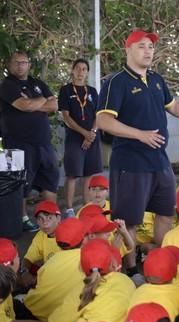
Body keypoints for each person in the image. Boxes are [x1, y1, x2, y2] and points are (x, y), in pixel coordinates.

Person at [96, 29, 179, 248]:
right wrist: (139, 134)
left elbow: (172, 106)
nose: (148, 51)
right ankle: (129, 270)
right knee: (129, 222)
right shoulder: (115, 82)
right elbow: (104, 121)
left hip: (159, 161)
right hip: (131, 163)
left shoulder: (156, 79)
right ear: (128, 49)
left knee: (165, 213)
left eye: (151, 47)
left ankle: (162, 264)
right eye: (141, 46)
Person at [0, 51, 59, 232]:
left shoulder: (37, 84)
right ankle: (23, 218)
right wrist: (42, 101)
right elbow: (23, 106)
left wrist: (36, 102)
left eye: (24, 62)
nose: (20, 66)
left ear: (29, 65)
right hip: (18, 143)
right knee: (21, 184)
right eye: (16, 62)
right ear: (10, 65)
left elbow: (55, 105)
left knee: (50, 179)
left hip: (43, 142)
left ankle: (52, 217)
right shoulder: (7, 86)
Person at [58, 58, 102, 218]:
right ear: (72, 70)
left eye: (84, 69)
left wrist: (92, 133)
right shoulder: (66, 90)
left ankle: (87, 207)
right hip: (75, 138)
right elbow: (66, 116)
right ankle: (69, 209)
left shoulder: (92, 91)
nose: (80, 72)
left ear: (87, 72)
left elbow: (99, 114)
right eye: (78, 68)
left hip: (92, 136)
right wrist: (85, 134)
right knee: (72, 174)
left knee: (89, 174)